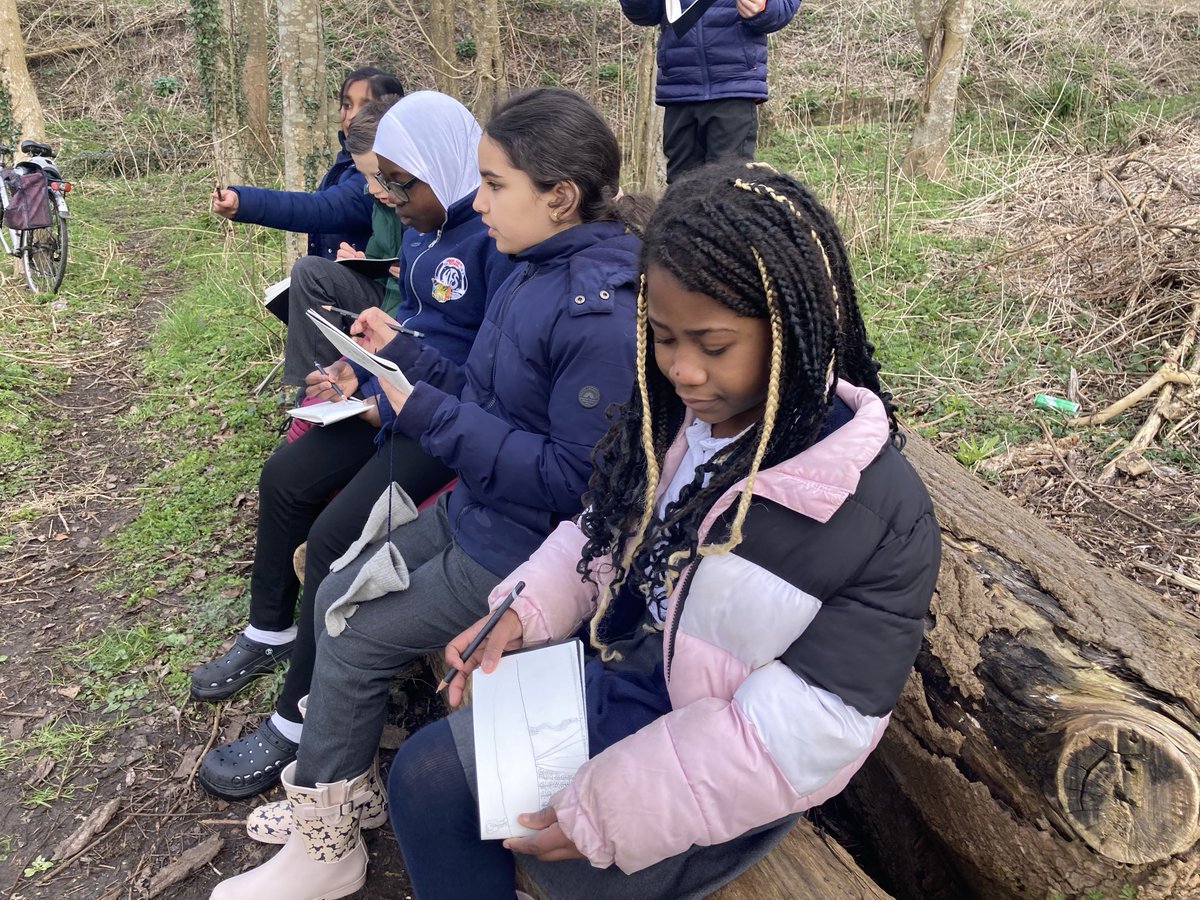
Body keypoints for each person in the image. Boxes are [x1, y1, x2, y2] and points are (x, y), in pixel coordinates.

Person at [386, 160, 942, 899]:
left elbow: (814, 729)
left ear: (796, 332)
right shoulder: (679, 419)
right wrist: (525, 608)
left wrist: (615, 806)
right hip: (626, 676)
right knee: (422, 778)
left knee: (567, 869)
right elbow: (606, 526)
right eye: (661, 336)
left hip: (727, 767)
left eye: (712, 346)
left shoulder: (872, 511)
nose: (680, 369)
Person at [206, 86, 648, 900]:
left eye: (493, 185)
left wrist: (428, 410)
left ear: (560, 197)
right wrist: (401, 350)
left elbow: (572, 486)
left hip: (518, 552)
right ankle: (341, 796)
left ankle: (327, 845)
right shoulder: (529, 265)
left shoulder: (597, 316)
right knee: (337, 584)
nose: (476, 203)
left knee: (349, 619)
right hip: (478, 510)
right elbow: (485, 388)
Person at [189, 91, 517, 802]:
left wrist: (392, 395)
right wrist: (355, 369)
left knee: (337, 538)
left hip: (438, 422)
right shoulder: (424, 230)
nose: (386, 198)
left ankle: (296, 720)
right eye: (381, 182)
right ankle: (268, 630)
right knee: (286, 475)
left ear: (444, 166)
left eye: (400, 183)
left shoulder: (493, 244)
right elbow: (418, 325)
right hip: (394, 399)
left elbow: (485, 382)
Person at [282, 93, 405, 399]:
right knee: (310, 272)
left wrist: (414, 275)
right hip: (384, 294)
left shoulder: (423, 202)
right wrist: (362, 261)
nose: (373, 188)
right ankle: (314, 386)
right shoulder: (381, 202)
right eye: (366, 177)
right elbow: (380, 261)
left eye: (380, 176)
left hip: (408, 309)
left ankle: (342, 391)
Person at [210, 66, 405, 260]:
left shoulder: (379, 181)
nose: (352, 116)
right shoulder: (347, 164)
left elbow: (319, 208)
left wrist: (244, 202)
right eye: (347, 105)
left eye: (365, 106)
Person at [619, 0, 799, 183]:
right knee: (681, 192)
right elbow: (644, 14)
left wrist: (764, 7)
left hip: (733, 86)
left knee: (730, 188)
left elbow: (781, 10)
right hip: (679, 86)